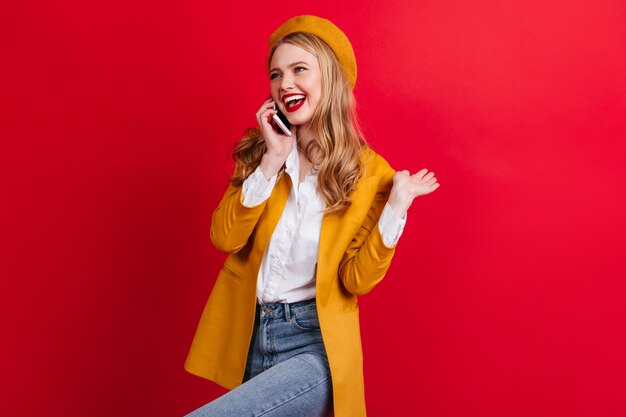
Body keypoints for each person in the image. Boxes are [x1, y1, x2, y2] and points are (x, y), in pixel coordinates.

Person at [184, 15, 440, 417]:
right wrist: (272, 160)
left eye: (299, 69)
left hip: (314, 346)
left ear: (332, 79)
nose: (285, 84)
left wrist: (396, 207)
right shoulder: (259, 153)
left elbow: (356, 279)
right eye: (276, 74)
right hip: (253, 335)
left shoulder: (371, 173)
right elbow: (225, 238)